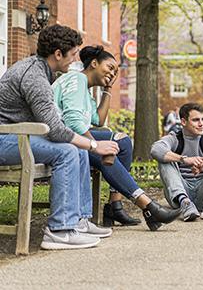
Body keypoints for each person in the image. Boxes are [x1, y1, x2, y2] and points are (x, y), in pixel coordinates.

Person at [0, 25, 119, 250]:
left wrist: (87, 145)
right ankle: (59, 230)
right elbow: (54, 130)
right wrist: (95, 145)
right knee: (67, 150)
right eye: (73, 54)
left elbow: (54, 123)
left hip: (18, 135)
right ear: (57, 54)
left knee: (77, 147)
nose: (76, 60)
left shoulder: (42, 71)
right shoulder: (34, 76)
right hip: (5, 137)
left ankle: (79, 221)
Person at [52, 45, 181, 231]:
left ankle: (115, 205)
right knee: (114, 145)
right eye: (110, 67)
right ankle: (148, 206)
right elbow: (73, 122)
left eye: (115, 71)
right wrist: (96, 146)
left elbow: (98, 119)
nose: (112, 73)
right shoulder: (76, 78)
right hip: (61, 138)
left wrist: (108, 89)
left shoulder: (85, 90)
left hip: (71, 137)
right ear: (94, 63)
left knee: (122, 141)